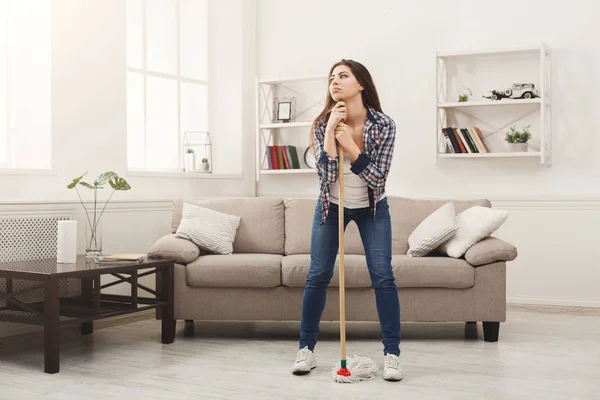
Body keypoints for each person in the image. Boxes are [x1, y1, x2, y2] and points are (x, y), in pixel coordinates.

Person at [291, 59, 402, 381]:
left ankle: (392, 355)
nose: (335, 82)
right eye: (331, 78)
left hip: (371, 208)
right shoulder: (323, 121)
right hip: (331, 206)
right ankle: (306, 350)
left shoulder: (384, 125)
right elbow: (325, 176)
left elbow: (378, 180)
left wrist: (352, 147)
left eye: (343, 76)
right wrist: (328, 135)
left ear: (361, 84)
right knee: (317, 275)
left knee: (383, 276)